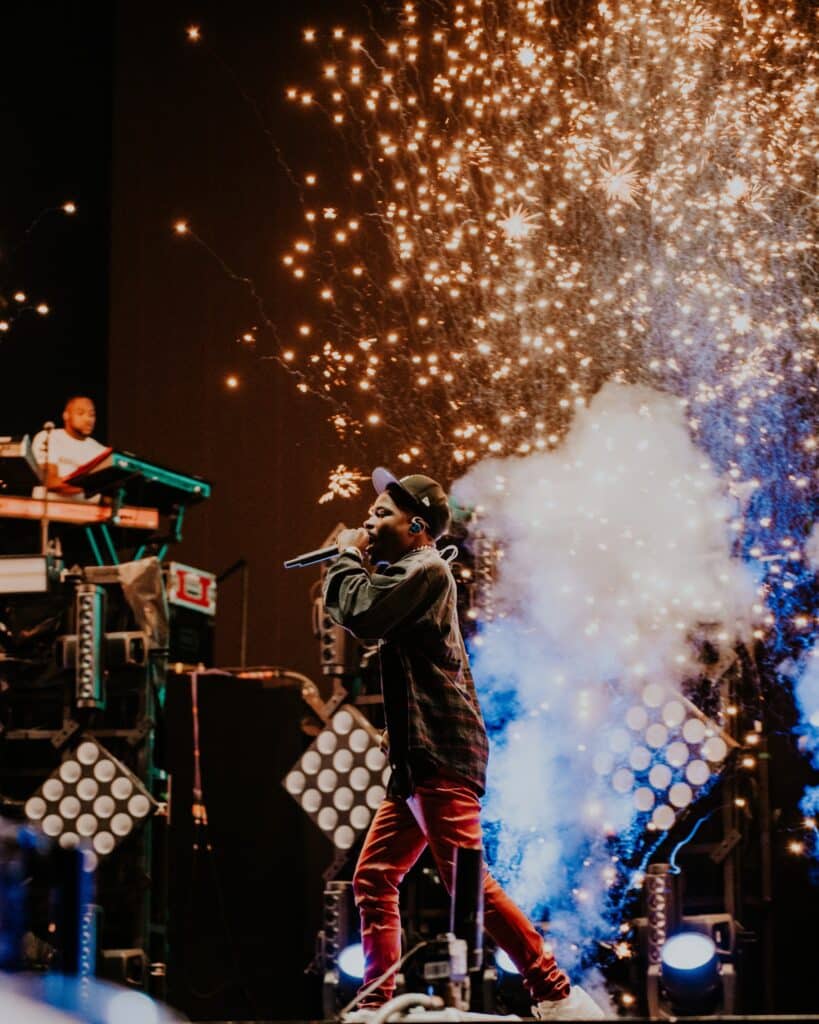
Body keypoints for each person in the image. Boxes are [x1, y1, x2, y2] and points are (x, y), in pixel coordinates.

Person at [322, 468, 605, 1021]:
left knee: (468, 883)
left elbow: (361, 613)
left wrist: (345, 557)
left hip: (442, 750)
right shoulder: (406, 571)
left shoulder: (427, 570)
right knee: (374, 877)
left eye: (383, 514)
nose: (369, 520)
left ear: (418, 527)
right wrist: (351, 562)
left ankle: (556, 993)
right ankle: (376, 1005)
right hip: (416, 759)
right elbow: (360, 604)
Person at [31, 396, 107, 500]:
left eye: (92, 414)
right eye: (80, 413)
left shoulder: (101, 451)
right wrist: (94, 484)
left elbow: (107, 492)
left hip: (89, 513)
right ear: (66, 415)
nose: (88, 419)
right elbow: (50, 482)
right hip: (52, 512)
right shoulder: (48, 436)